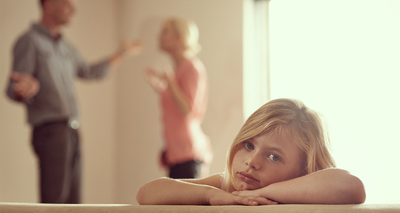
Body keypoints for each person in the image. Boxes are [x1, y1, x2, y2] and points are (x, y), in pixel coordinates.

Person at [5, 0, 142, 204]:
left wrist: (122, 53)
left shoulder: (66, 47)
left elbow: (89, 71)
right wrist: (24, 89)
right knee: (54, 202)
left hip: (72, 131)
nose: (74, 11)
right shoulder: (29, 41)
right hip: (50, 132)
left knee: (74, 203)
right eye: (68, 5)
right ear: (49, 5)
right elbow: (13, 88)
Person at [136, 98, 366, 205]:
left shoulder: (311, 192)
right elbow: (147, 193)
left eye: (274, 157)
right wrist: (209, 194)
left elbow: (352, 186)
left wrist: (269, 192)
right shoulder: (228, 187)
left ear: (304, 170)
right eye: (249, 146)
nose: (252, 162)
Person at [144, 17, 212, 179]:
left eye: (165, 32)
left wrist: (170, 82)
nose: (159, 36)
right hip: (174, 155)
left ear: (180, 38)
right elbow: (174, 107)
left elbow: (188, 110)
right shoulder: (178, 70)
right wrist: (161, 87)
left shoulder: (192, 68)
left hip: (188, 154)